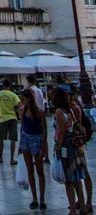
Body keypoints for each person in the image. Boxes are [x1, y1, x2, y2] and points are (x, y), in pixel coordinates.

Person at [52, 86, 86, 215]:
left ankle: (73, 209)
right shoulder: (70, 110)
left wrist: (57, 149)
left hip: (66, 147)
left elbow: (61, 132)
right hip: (74, 146)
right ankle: (82, 207)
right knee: (77, 179)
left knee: (68, 180)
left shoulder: (59, 112)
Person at [19, 88, 47, 210]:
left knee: (39, 169)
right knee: (30, 169)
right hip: (25, 139)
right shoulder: (22, 110)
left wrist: (43, 146)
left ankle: (42, 198)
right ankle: (34, 198)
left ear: (29, 98)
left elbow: (44, 130)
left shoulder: (40, 112)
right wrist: (20, 145)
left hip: (36, 139)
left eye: (23, 99)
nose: (21, 101)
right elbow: (22, 127)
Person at [69, 85, 93, 214]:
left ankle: (88, 202)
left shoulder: (75, 108)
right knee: (78, 173)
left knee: (84, 172)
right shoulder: (69, 107)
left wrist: (80, 144)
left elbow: (77, 127)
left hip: (78, 143)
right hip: (77, 143)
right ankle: (81, 200)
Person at [0, 78, 20, 165]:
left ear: (3, 85)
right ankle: (12, 159)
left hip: (3, 118)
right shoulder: (13, 95)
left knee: (1, 138)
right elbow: (18, 106)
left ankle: (0, 157)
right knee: (13, 139)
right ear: (10, 85)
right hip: (12, 118)